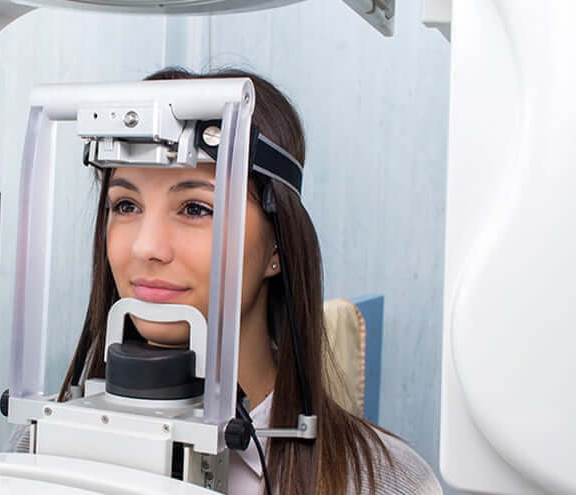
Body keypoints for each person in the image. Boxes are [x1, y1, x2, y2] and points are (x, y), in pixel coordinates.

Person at [45, 67, 442, 494]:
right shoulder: (41, 447)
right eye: (125, 205)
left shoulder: (383, 481)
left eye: (196, 209)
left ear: (277, 247)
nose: (145, 247)